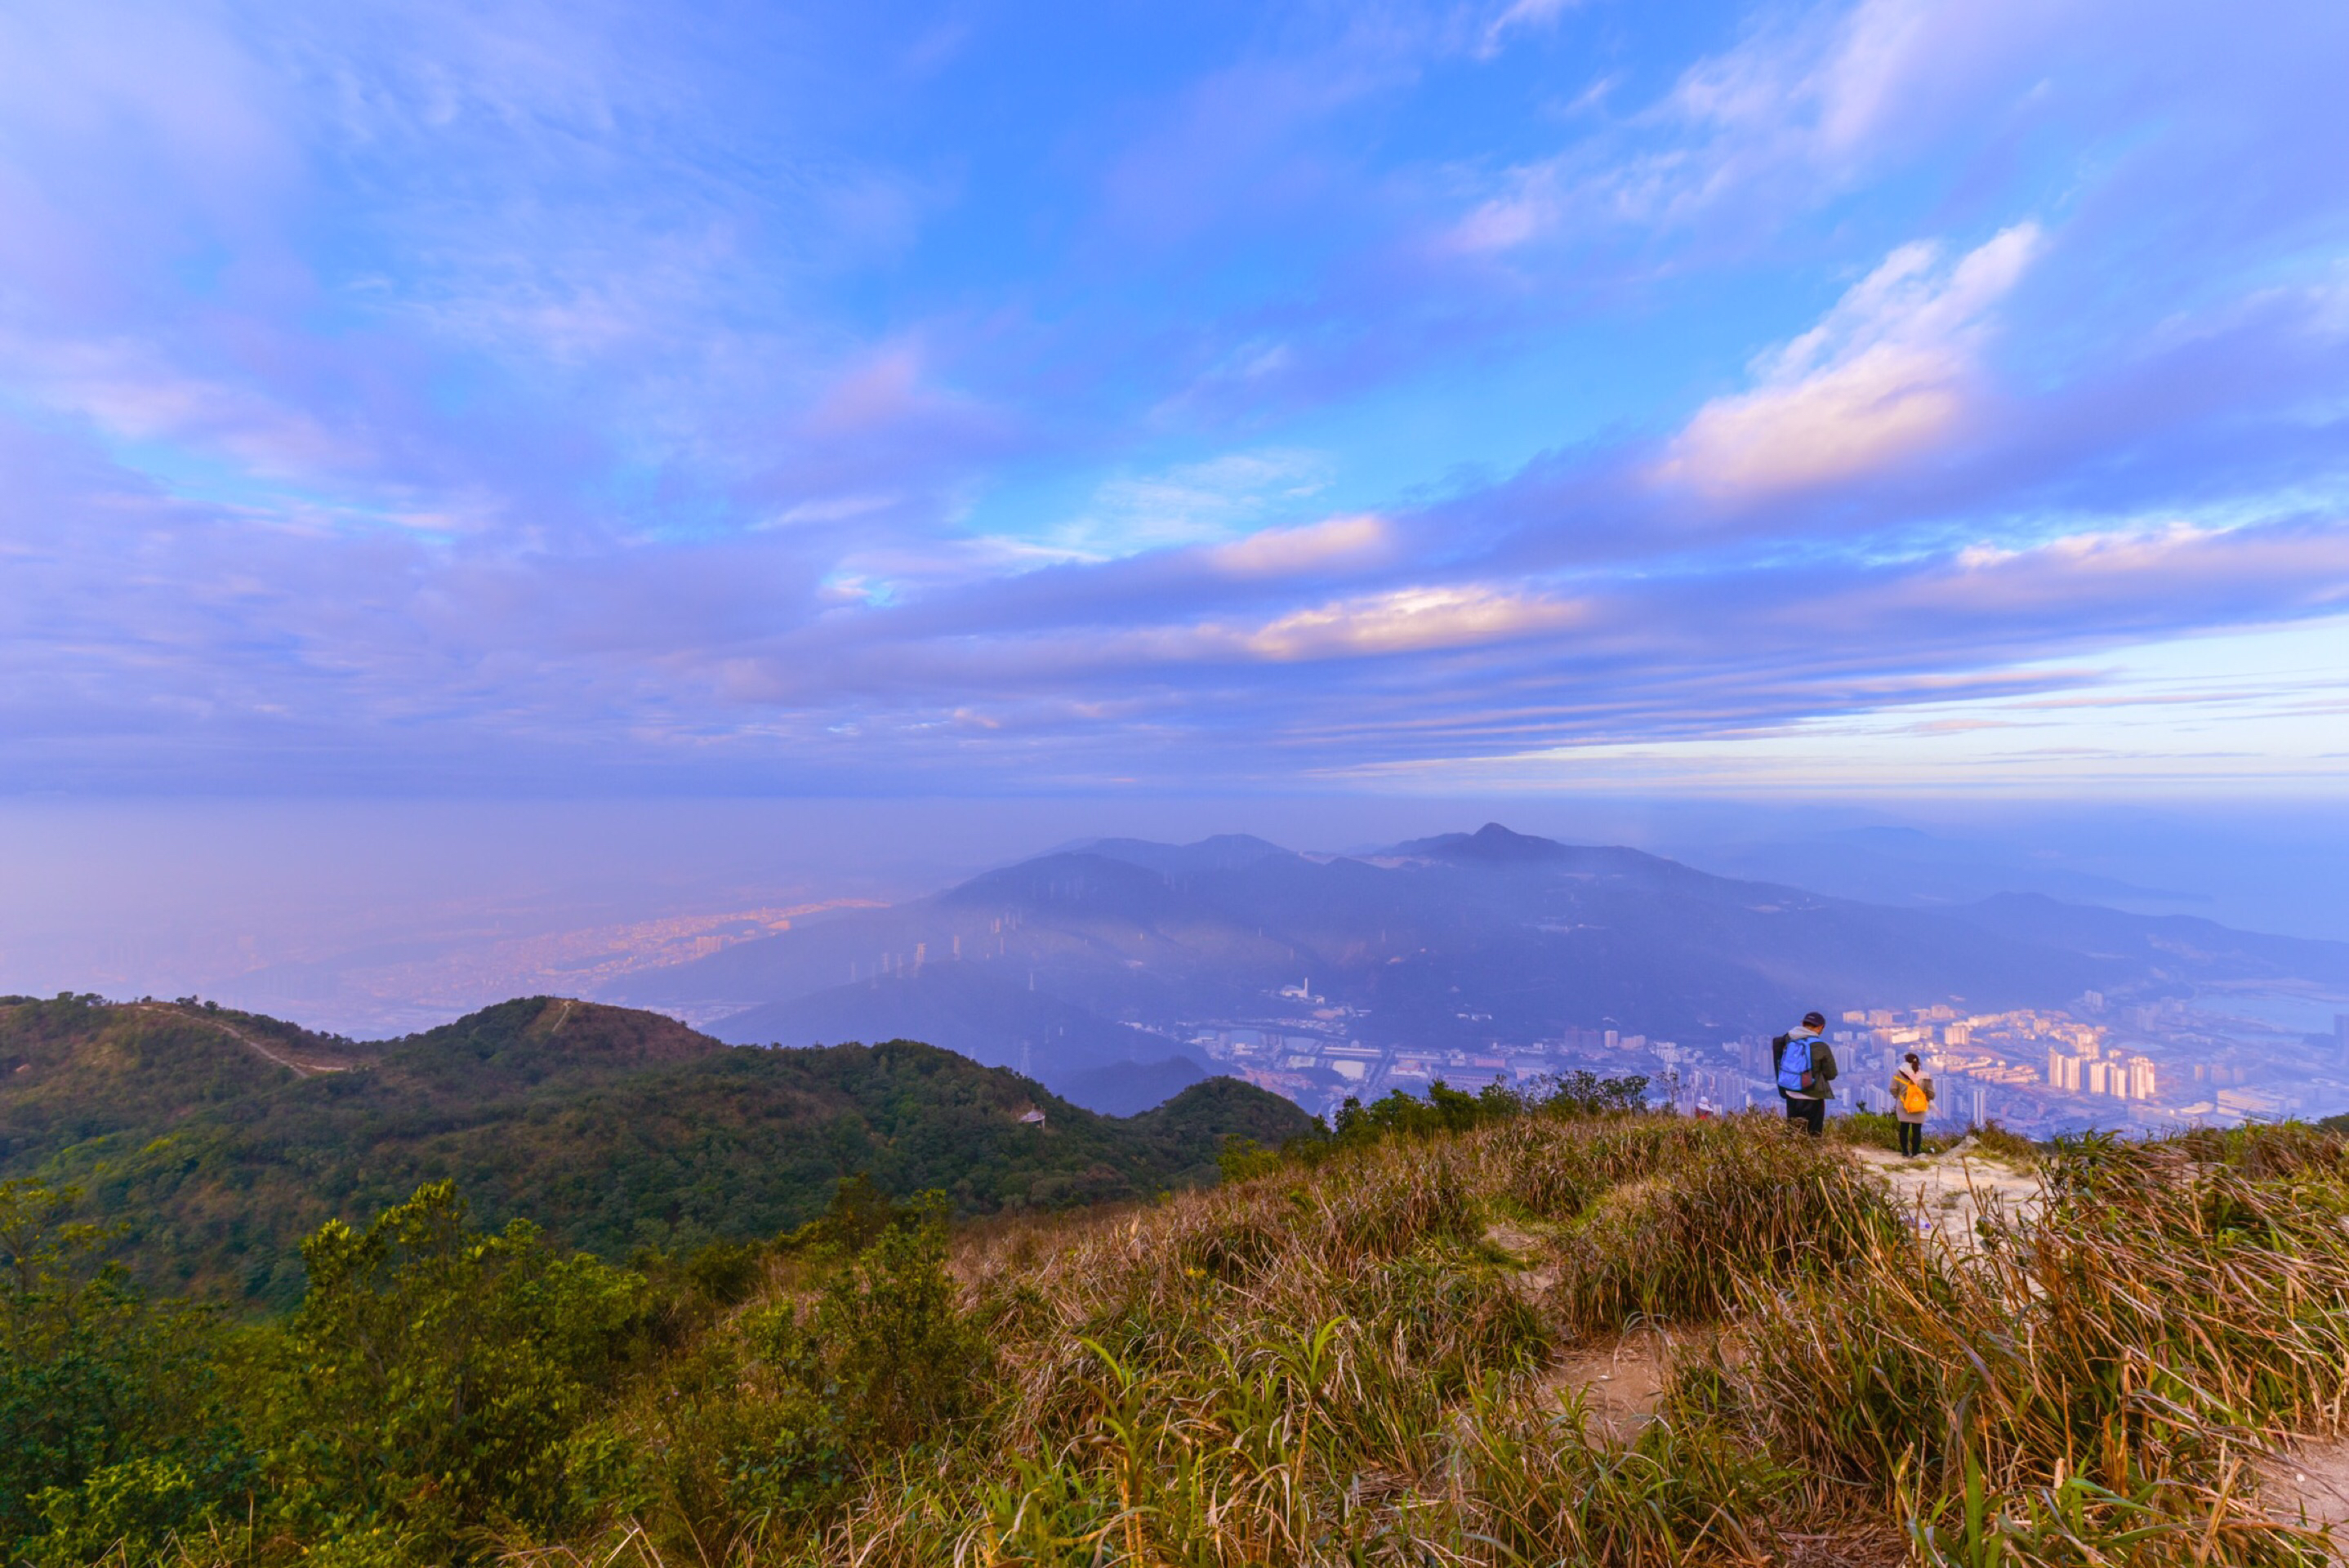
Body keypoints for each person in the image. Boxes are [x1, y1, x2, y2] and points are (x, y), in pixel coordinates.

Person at [1772, 1011, 1836, 1136]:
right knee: (1814, 1134)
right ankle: (1814, 1153)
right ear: (1820, 1027)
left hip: (1791, 1093)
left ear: (1802, 1024)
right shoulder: (1821, 1047)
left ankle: (1794, 1154)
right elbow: (1832, 1074)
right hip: (1813, 1096)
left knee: (1793, 1133)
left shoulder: (1787, 1040)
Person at [1892, 1051, 1934, 1157]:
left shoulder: (1898, 1074)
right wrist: (1926, 1099)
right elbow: (1931, 1093)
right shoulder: (1925, 1076)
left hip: (1903, 1105)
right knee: (1917, 1130)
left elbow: (1892, 1089)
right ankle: (1915, 1152)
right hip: (1919, 1105)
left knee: (1904, 1128)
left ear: (1906, 1061)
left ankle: (1905, 1152)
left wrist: (1899, 1097)